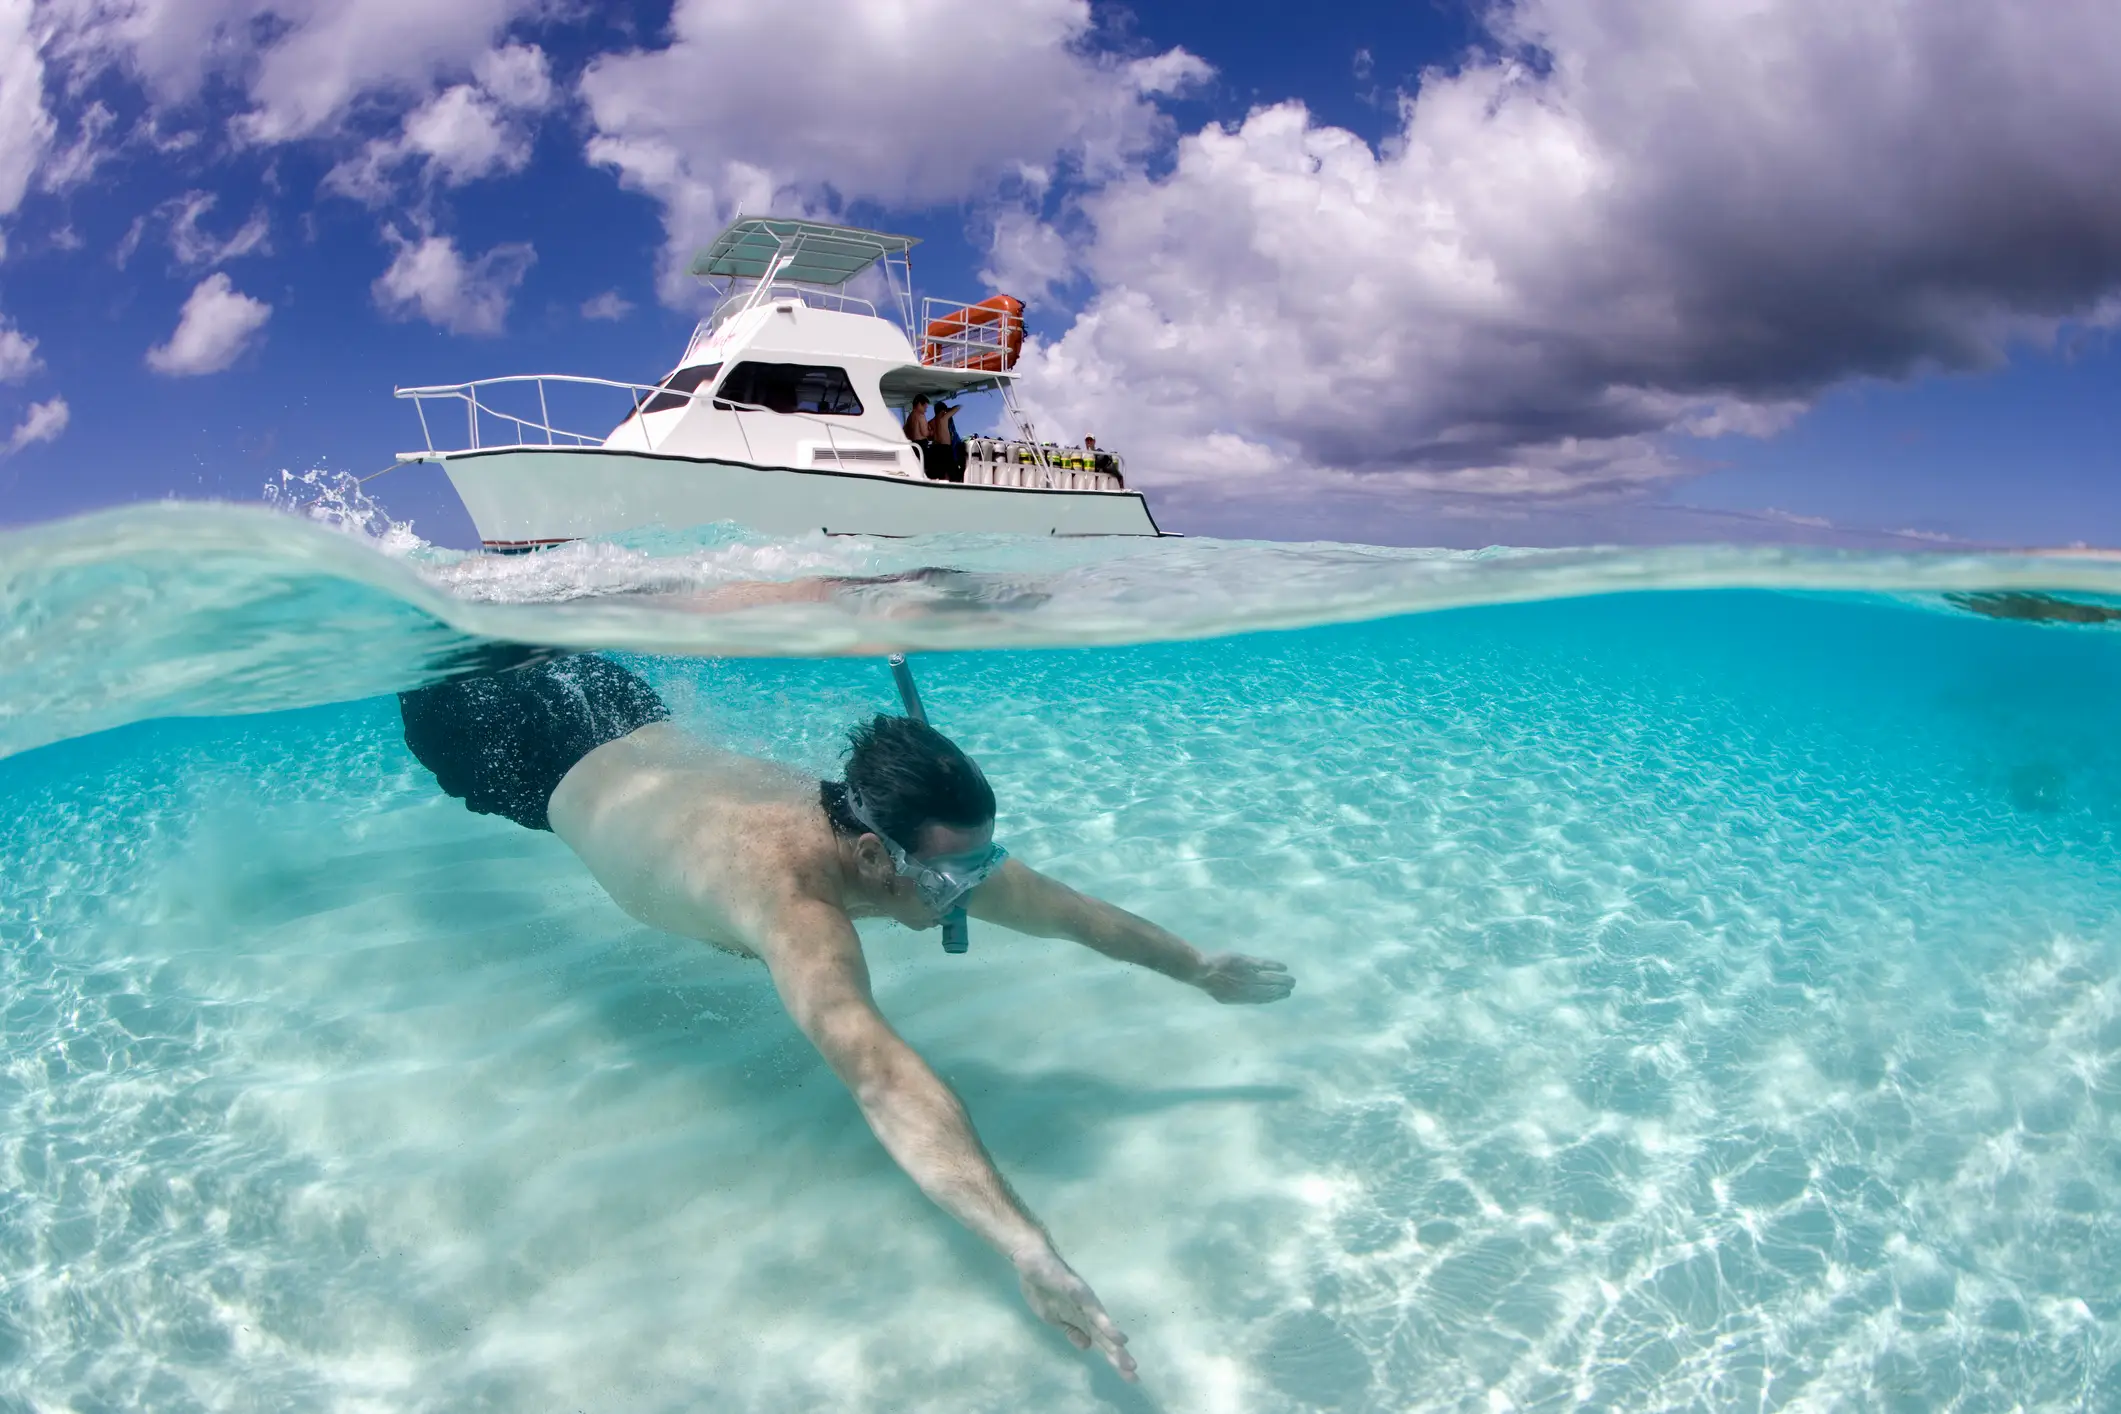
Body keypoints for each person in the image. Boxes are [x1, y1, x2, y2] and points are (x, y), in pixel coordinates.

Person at [396, 654, 1294, 1382]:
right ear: (870, 852)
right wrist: (1025, 1246)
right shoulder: (793, 906)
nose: (968, 896)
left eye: (983, 867)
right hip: (509, 752)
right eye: (950, 880)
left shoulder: (923, 848)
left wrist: (1197, 967)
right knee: (434, 642)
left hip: (616, 702)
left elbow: (1065, 910)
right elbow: (881, 1077)